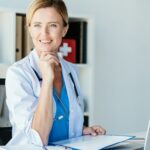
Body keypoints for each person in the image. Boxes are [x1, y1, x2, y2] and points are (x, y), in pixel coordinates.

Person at [6, 0, 106, 146]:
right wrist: (47, 80)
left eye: (53, 25)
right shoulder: (18, 74)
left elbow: (64, 117)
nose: (44, 34)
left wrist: (82, 130)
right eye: (37, 25)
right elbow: (37, 138)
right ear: (29, 28)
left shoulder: (71, 70)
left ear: (64, 30)